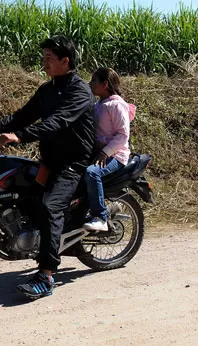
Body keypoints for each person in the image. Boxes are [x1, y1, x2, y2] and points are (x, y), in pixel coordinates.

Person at [0, 36, 94, 300]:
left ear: (65, 61)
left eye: (49, 58)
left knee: (51, 206)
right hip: (50, 159)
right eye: (44, 57)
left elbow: (58, 122)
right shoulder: (47, 90)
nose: (44, 62)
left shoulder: (80, 92)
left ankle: (47, 275)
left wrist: (20, 136)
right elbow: (20, 116)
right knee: (28, 199)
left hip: (72, 163)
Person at [83, 67, 136, 232]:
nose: (90, 83)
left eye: (94, 81)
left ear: (105, 84)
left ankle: (100, 216)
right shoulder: (99, 103)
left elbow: (123, 135)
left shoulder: (116, 104)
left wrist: (105, 152)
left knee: (92, 173)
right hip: (100, 152)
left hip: (115, 155)